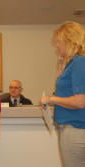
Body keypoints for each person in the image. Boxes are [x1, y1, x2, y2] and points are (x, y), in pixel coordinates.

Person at [40, 21, 85, 167]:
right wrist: (60, 63)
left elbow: (80, 102)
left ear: (69, 41)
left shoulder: (80, 62)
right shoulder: (72, 63)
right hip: (72, 129)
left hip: (75, 130)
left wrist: (50, 99)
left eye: (59, 42)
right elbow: (61, 87)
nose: (57, 46)